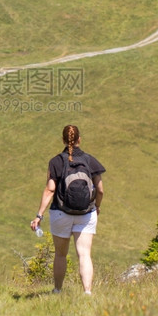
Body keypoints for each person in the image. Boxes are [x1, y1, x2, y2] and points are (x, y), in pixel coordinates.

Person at [30, 125, 105, 294]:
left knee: (60, 255)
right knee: (84, 255)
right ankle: (87, 292)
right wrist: (97, 206)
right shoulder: (90, 160)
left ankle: (57, 290)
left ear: (63, 140)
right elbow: (100, 190)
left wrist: (39, 215)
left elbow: (50, 190)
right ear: (79, 139)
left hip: (60, 213)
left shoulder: (56, 161)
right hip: (86, 214)